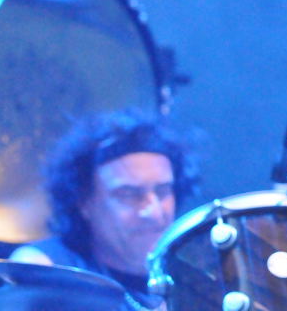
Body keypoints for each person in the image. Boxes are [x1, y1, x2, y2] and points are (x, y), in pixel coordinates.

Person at [10, 109, 198, 310]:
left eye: (163, 191)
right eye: (129, 194)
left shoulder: (196, 283)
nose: (153, 212)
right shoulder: (43, 268)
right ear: (84, 202)